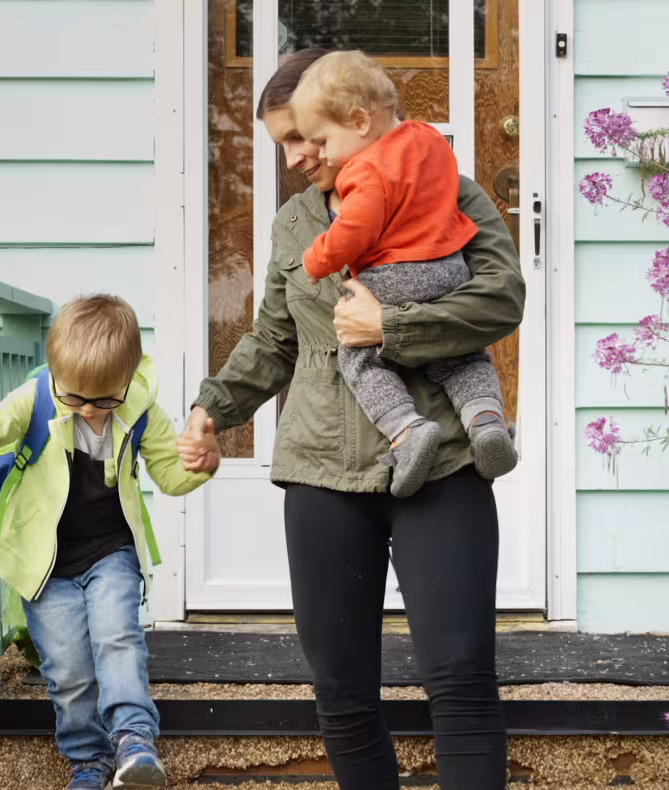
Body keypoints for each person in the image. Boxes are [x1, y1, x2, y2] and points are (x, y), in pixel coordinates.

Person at [178, 48, 527, 788]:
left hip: (446, 464)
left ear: (346, 119)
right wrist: (214, 408)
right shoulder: (293, 223)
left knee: (461, 678)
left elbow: (501, 302)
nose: (298, 155)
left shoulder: (452, 193)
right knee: (341, 693)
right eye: (283, 142)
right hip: (321, 470)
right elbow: (275, 337)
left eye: (305, 137)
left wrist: (391, 330)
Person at [0, 294, 213, 790]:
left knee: (118, 640)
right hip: (44, 563)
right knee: (67, 668)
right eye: (76, 399)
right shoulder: (39, 396)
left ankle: (133, 741)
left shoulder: (141, 409)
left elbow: (170, 476)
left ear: (126, 380)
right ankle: (89, 761)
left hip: (111, 550)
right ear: (56, 376)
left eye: (104, 400)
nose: (89, 411)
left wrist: (202, 466)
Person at [288, 51, 516, 497]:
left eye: (323, 141)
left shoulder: (366, 170)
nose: (321, 153)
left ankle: (406, 430)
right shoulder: (429, 140)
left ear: (358, 121)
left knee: (357, 354)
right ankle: (486, 420)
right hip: (450, 268)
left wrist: (317, 259)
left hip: (395, 274)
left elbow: (356, 229)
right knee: (463, 357)